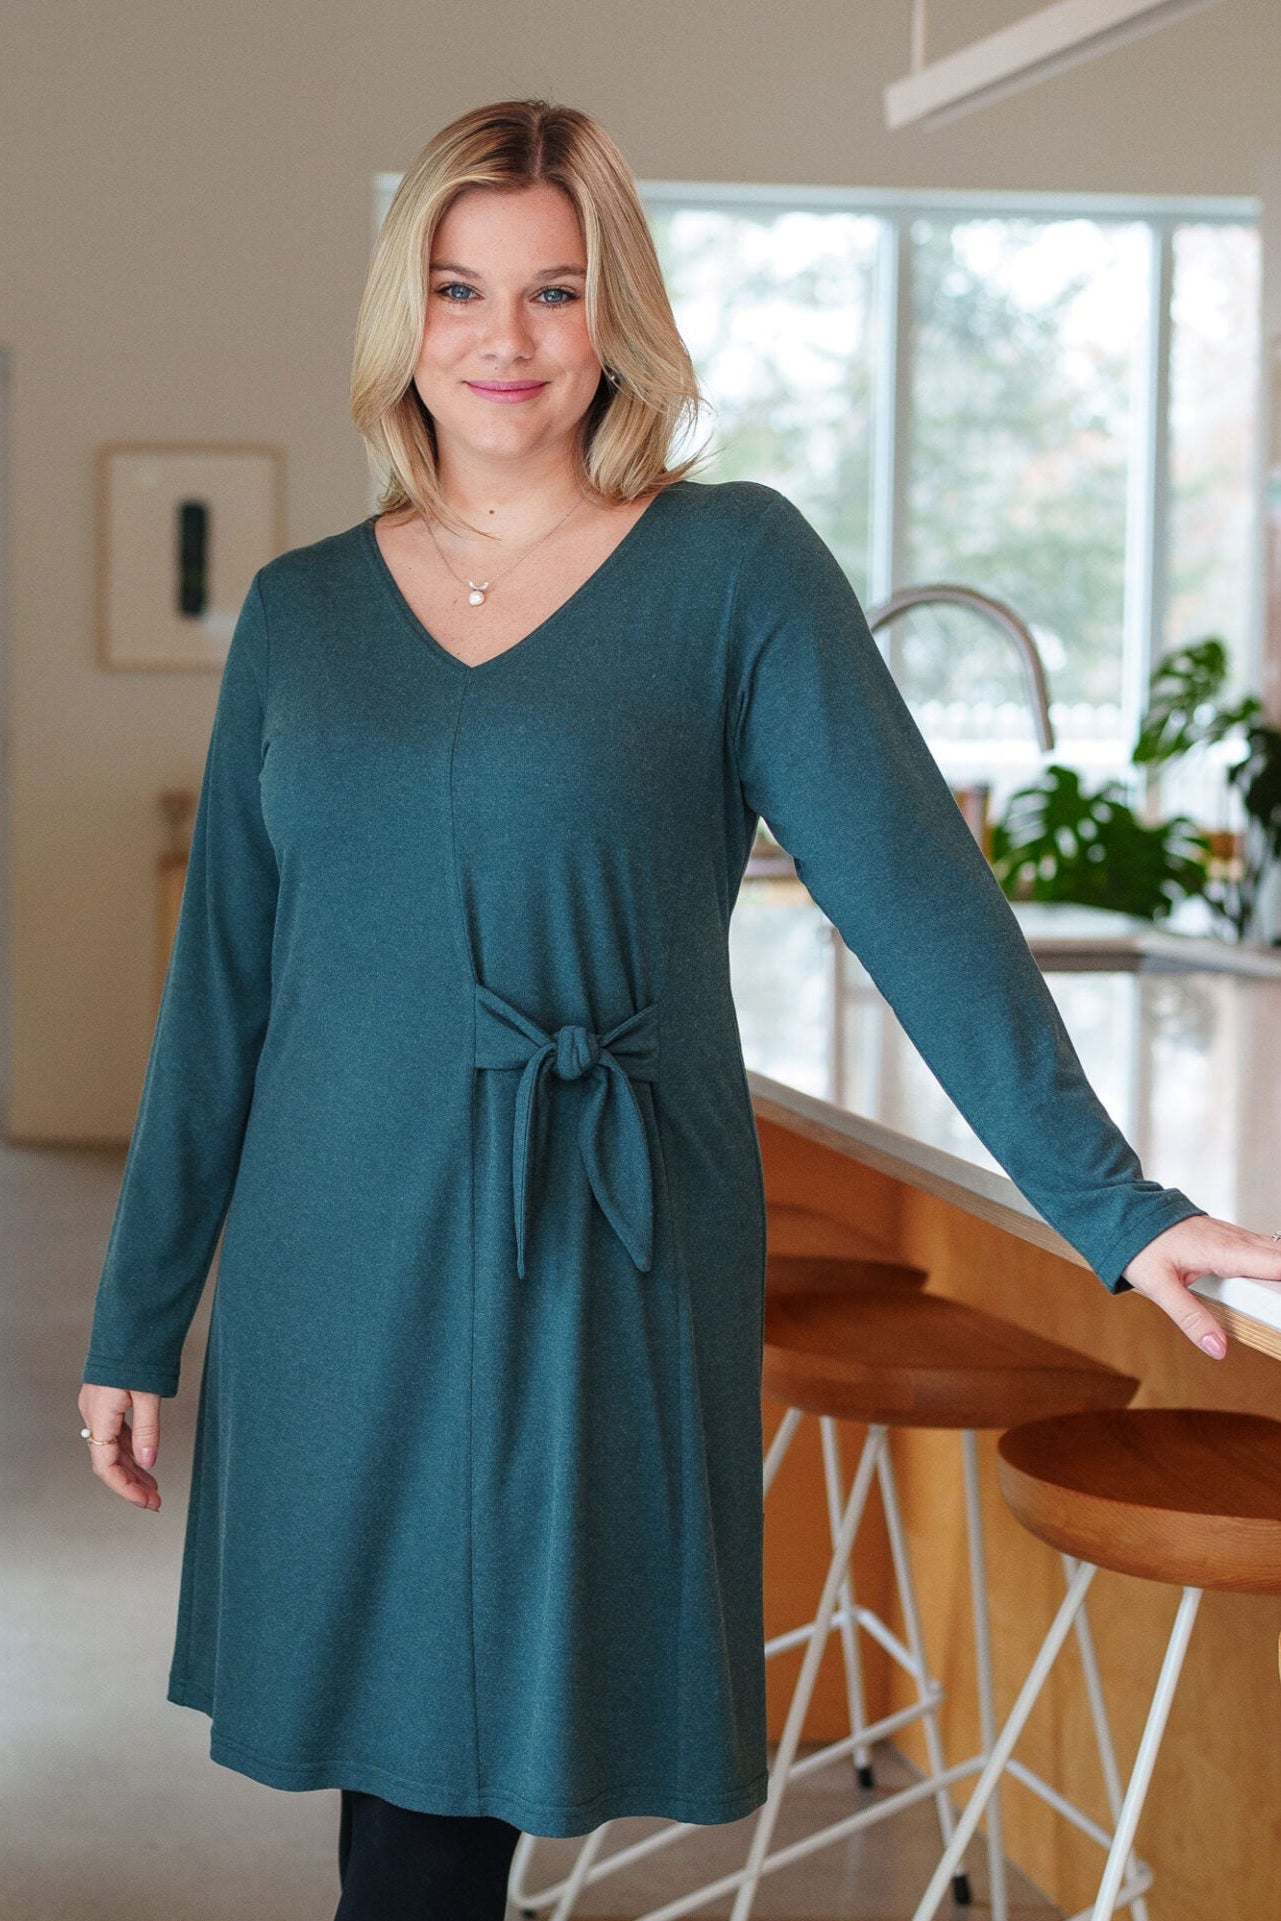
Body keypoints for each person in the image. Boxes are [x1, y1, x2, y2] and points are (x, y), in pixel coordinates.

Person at [77, 97, 1281, 1920]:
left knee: (467, 1760)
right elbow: (227, 988)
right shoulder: (299, 614)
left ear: (613, 313)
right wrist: (139, 1310)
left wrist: (1111, 1204)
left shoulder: (734, 570)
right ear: (404, 314)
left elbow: (917, 905)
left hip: (593, 1233)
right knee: (395, 1771)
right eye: (464, 289)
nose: (505, 340)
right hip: (335, 1249)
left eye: (553, 291)